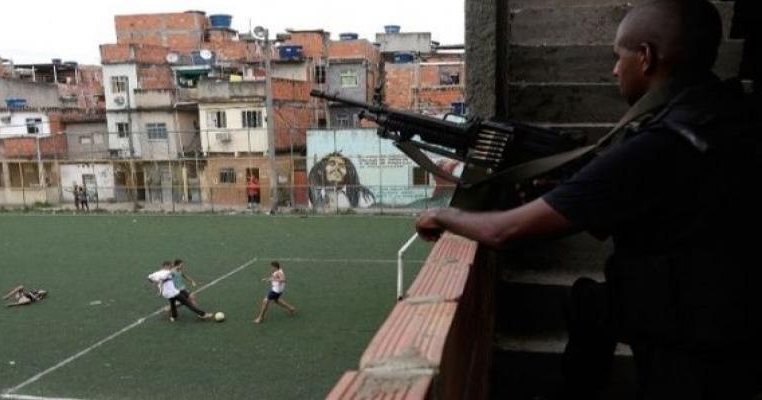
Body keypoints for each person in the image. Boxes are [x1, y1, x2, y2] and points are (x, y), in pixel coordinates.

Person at [415, 1, 761, 399]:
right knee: (591, 306)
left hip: (693, 343)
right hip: (731, 315)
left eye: (619, 57)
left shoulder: (660, 144)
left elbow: (505, 231)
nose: (615, 69)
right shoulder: (728, 113)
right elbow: (679, 209)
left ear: (646, 57)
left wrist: (444, 215)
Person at [308, 152, 375, 209]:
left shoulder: (361, 195)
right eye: (332, 164)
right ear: (323, 169)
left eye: (341, 165)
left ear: (347, 172)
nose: (337, 168)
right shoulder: (314, 192)